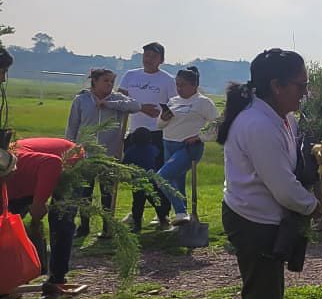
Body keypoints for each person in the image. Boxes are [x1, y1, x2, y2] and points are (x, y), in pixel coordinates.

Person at [219, 49, 322, 299]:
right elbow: (282, 187)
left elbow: (292, 165)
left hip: (265, 219)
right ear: (276, 86)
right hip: (253, 221)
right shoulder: (258, 125)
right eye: (300, 85)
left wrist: (312, 162)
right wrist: (315, 206)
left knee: (266, 298)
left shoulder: (281, 118)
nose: (304, 93)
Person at [64, 68, 140, 236]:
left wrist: (109, 104)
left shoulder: (117, 99)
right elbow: (72, 127)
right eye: (105, 81)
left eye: (112, 81)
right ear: (95, 81)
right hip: (85, 154)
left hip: (109, 154)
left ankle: (107, 227)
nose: (109, 84)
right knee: (85, 193)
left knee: (107, 193)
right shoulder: (81, 100)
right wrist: (70, 149)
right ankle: (84, 227)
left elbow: (136, 106)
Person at [4, 137, 82, 299]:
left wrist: (39, 202)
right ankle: (7, 282)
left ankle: (56, 279)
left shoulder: (15, 161)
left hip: (68, 162)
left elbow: (52, 163)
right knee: (5, 229)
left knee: (61, 221)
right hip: (28, 179)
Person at [117, 42, 176, 230]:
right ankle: (136, 215)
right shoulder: (130, 76)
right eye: (146, 55)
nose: (149, 59)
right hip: (134, 133)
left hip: (156, 134)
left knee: (154, 178)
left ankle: (162, 214)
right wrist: (139, 106)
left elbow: (174, 105)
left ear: (161, 59)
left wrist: (164, 115)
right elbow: (120, 99)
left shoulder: (167, 80)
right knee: (136, 178)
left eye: (153, 56)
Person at [156, 67, 218, 224]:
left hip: (188, 147)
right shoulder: (173, 101)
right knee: (177, 182)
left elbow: (217, 125)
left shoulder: (203, 102)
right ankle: (182, 220)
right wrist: (163, 117)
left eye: (182, 85)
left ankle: (181, 211)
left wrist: (200, 137)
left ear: (194, 85)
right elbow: (159, 125)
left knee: (161, 177)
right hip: (168, 143)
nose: (179, 88)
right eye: (177, 84)